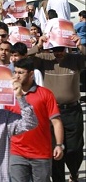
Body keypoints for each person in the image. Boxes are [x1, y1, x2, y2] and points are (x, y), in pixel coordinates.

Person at [31, 36, 85, 182]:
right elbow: (23, 59)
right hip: (52, 112)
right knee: (56, 151)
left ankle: (74, 173)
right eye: (55, 49)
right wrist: (39, 45)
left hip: (72, 111)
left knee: (74, 149)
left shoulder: (75, 59)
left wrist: (80, 46)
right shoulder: (44, 59)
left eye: (61, 49)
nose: (58, 53)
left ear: (66, 47)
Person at [6, 58, 64, 182]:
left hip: (41, 153)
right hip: (17, 152)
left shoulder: (45, 94)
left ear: (31, 74)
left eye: (21, 73)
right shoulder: (9, 95)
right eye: (15, 72)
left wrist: (59, 145)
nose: (16, 76)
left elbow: (56, 121)